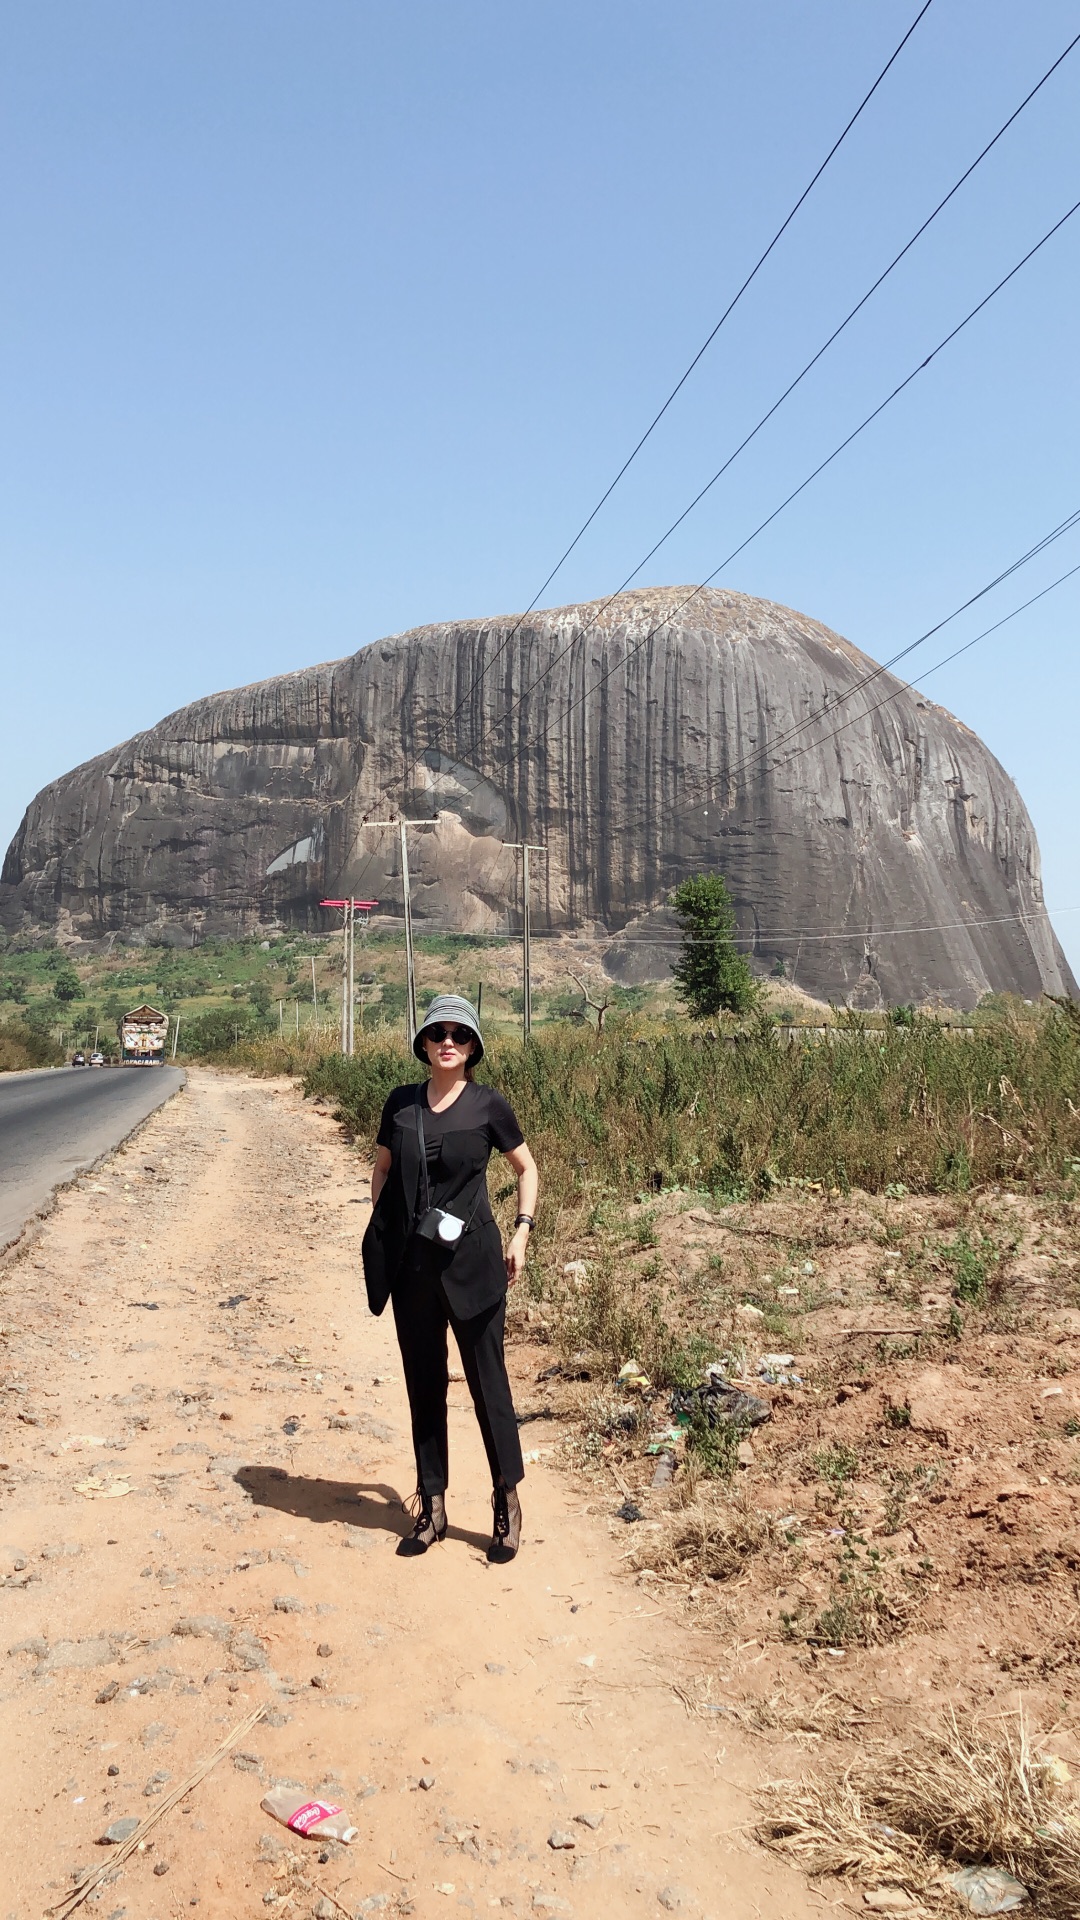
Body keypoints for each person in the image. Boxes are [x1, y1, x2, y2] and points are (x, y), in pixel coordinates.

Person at [362, 995, 538, 1561]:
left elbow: (527, 1168)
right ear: (423, 1042)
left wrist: (521, 1232)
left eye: (459, 1035)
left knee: (489, 1386)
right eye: (437, 1032)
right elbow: (382, 1171)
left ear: (473, 1046)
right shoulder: (402, 1105)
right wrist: (387, 1231)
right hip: (415, 1270)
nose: (447, 1042)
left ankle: (506, 1501)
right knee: (423, 1385)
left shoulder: (489, 1106)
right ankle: (431, 1504)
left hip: (476, 1264)